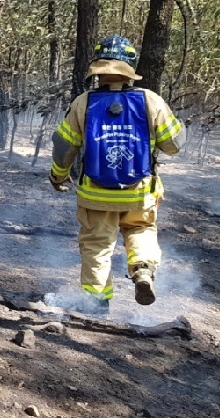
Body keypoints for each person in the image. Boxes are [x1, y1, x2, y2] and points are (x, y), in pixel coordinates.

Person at [49, 35, 183, 314]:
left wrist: (58, 176)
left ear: (97, 69)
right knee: (140, 230)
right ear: (129, 69)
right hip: (139, 193)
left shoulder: (83, 102)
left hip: (96, 196)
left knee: (97, 245)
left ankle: (97, 303)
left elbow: (64, 147)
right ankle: (143, 271)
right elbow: (173, 145)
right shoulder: (150, 100)